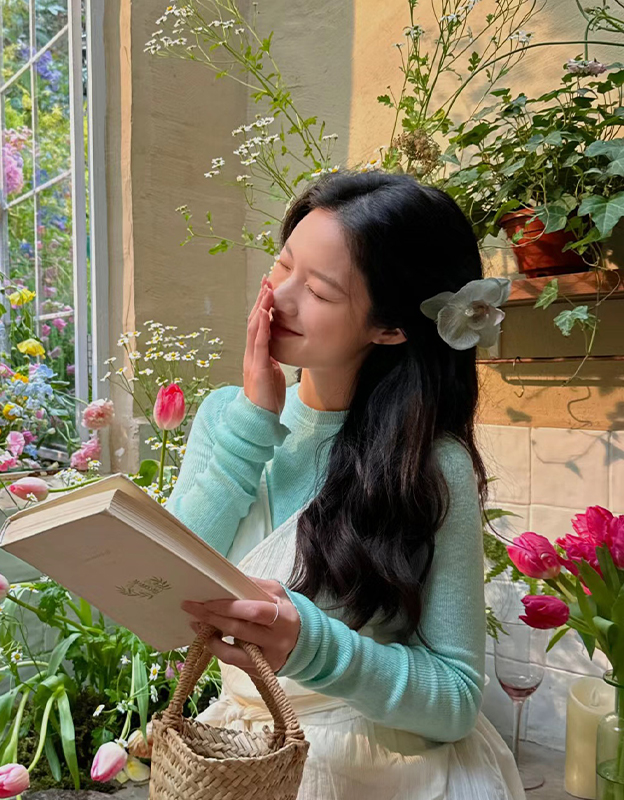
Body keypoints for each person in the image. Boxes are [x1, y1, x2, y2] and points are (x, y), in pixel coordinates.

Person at [165, 170, 523, 799]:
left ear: (389, 328)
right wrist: (253, 422)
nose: (280, 297)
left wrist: (313, 646)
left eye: (321, 292)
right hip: (238, 761)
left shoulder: (429, 465)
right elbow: (168, 589)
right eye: (282, 264)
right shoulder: (227, 418)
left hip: (380, 772)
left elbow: (457, 700)